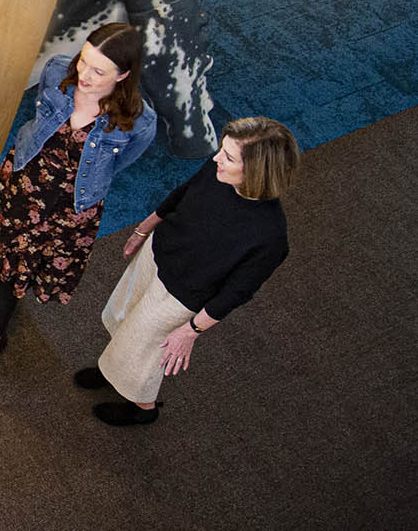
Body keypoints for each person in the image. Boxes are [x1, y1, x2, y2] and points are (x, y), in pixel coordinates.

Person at [0, 23, 158, 377]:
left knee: (19, 269)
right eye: (84, 61)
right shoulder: (57, 73)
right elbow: (37, 121)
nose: (85, 75)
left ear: (123, 75)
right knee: (6, 261)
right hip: (24, 185)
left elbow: (119, 165)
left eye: (99, 71)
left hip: (69, 209)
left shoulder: (139, 122)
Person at [77, 116, 296, 426]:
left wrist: (191, 331)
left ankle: (143, 408)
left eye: (229, 157)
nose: (217, 158)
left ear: (257, 171)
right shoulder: (220, 171)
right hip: (159, 253)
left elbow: (237, 292)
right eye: (222, 149)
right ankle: (111, 366)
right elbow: (184, 193)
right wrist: (144, 229)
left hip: (181, 295)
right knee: (126, 317)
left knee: (144, 351)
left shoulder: (269, 237)